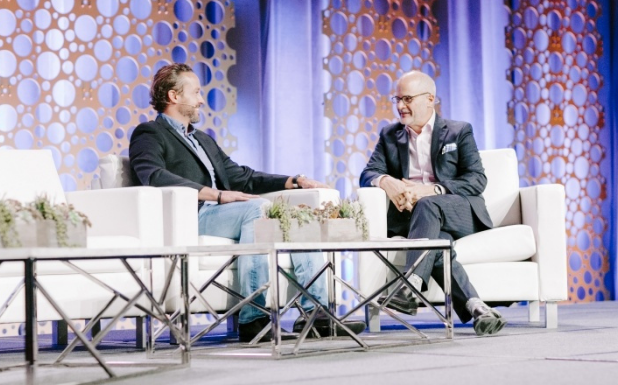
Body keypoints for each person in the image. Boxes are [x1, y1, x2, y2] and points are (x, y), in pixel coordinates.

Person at [130, 63, 365, 342]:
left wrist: (295, 180)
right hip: (191, 216)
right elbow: (154, 176)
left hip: (225, 213)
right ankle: (253, 317)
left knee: (296, 215)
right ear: (173, 96)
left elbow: (241, 176)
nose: (201, 100)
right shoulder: (149, 133)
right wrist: (216, 194)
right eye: (195, 93)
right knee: (256, 209)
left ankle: (316, 316)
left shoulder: (203, 139)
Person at [359, 70, 506, 336]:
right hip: (415, 220)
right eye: (397, 99)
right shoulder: (389, 135)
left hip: (457, 210)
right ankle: (477, 308)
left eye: (407, 99)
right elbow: (366, 174)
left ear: (430, 99)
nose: (400, 106)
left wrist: (431, 190)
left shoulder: (459, 131)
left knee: (428, 204)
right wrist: (386, 182)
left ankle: (410, 285)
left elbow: (476, 179)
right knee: (438, 243)